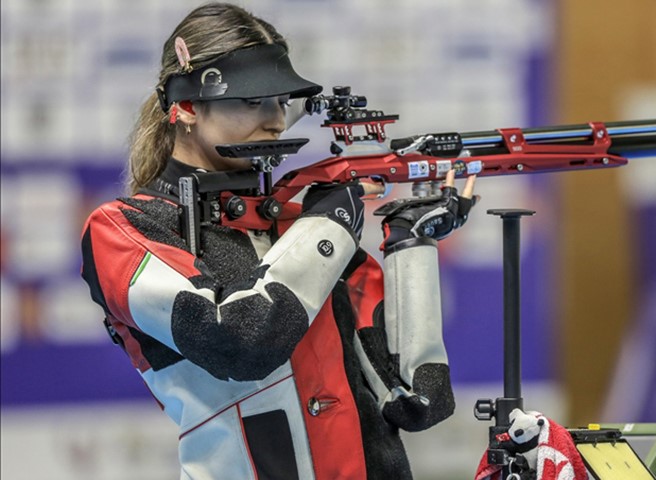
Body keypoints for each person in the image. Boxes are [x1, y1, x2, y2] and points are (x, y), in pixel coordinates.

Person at [79, 3, 476, 479]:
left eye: (282, 102)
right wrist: (327, 228)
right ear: (186, 106)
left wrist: (411, 243)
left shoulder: (299, 229)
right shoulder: (121, 230)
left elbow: (419, 400)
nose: (275, 122)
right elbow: (241, 342)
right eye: (252, 101)